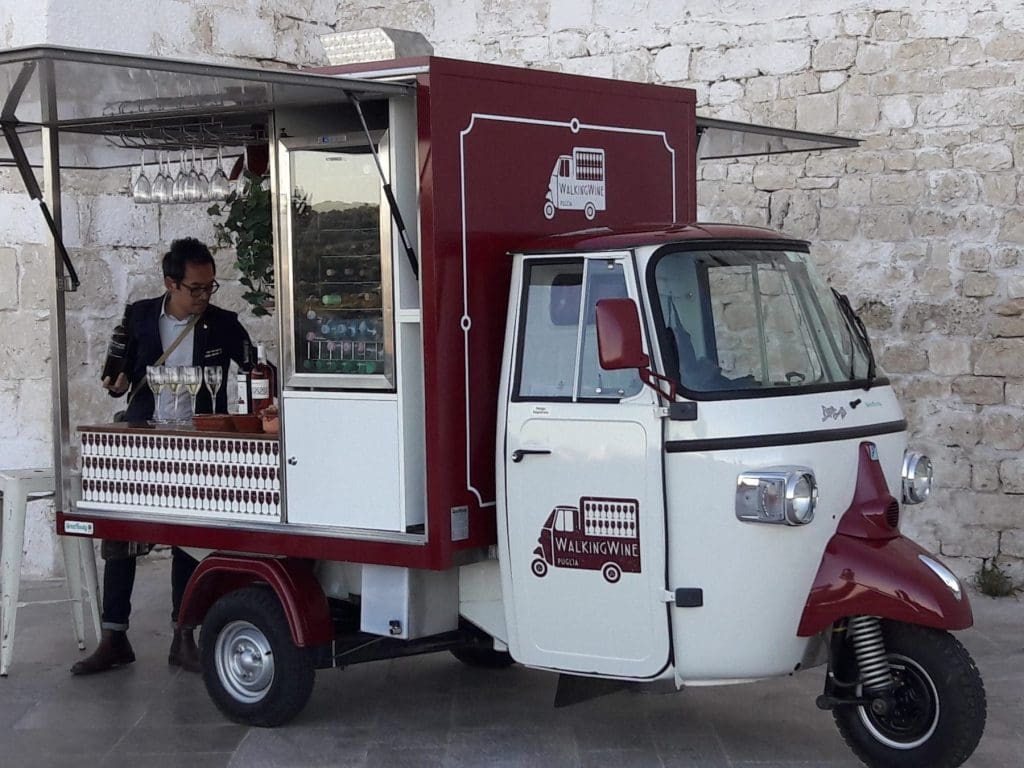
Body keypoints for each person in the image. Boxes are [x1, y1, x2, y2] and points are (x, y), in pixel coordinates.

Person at [71, 237, 253, 676]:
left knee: (189, 539)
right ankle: (115, 637)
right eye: (196, 288)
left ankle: (183, 635)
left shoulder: (223, 323)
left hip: (200, 441)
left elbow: (255, 369)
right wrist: (114, 383)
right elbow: (120, 373)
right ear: (170, 283)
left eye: (211, 287)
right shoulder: (138, 316)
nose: (205, 296)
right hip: (142, 435)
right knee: (120, 534)